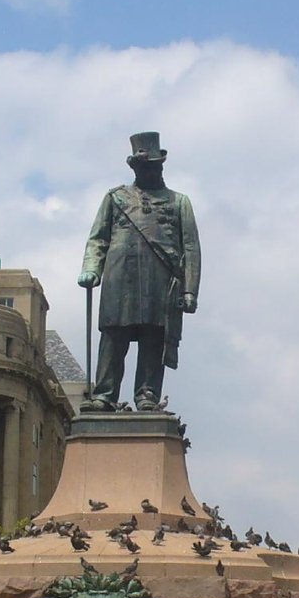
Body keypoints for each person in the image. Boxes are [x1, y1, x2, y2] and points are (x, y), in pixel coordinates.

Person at [78, 132, 201, 412]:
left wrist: (190, 290)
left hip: (161, 281)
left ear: (161, 166)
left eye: (155, 166)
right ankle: (104, 394)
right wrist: (90, 268)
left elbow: (191, 248)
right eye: (145, 166)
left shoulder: (179, 202)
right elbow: (98, 238)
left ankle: (147, 394)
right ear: (135, 168)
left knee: (153, 338)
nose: (151, 170)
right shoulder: (115, 198)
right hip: (120, 277)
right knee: (113, 337)